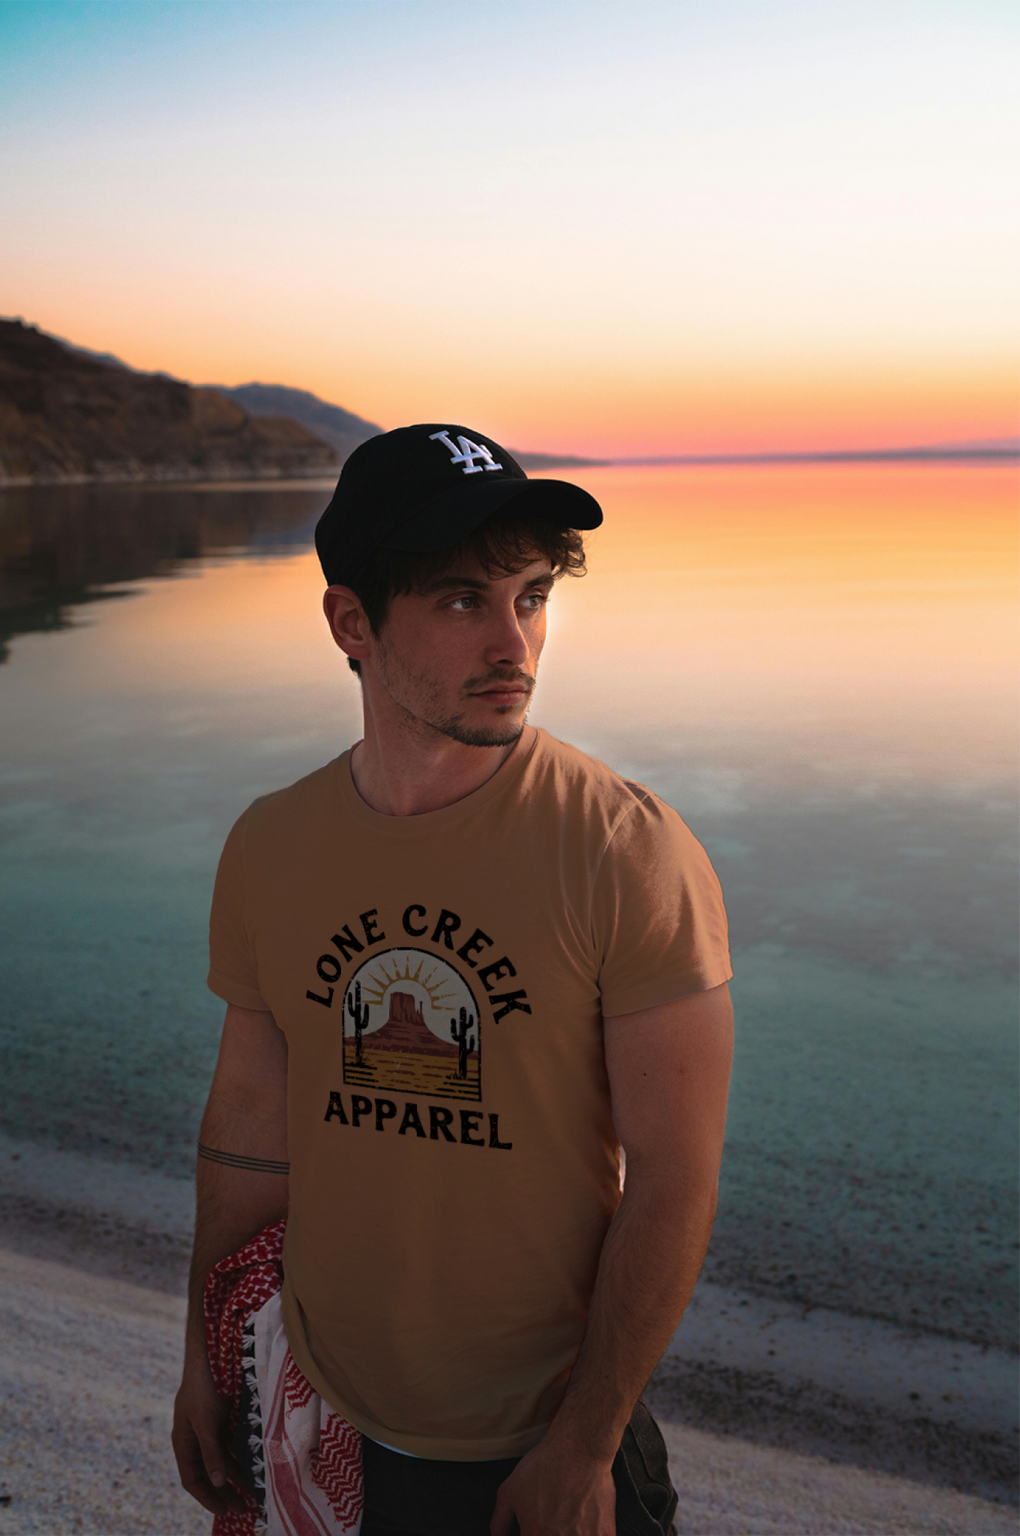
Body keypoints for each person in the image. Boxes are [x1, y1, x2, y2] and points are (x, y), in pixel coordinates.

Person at [172, 423, 734, 1536]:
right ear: (351, 623)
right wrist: (207, 1360)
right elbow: (247, 1126)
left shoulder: (625, 849)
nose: (514, 642)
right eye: (462, 600)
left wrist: (583, 1446)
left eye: (531, 597)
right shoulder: (270, 846)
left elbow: (674, 1177)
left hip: (540, 1442)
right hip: (318, 1407)